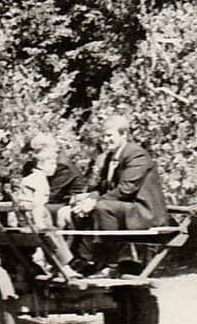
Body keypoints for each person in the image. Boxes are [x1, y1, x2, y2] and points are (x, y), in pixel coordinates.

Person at [71, 114, 169, 273]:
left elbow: (126, 189)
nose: (105, 139)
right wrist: (87, 199)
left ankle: (112, 263)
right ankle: (82, 260)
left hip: (144, 212)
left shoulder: (136, 154)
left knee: (102, 207)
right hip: (125, 207)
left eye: (109, 135)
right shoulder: (110, 157)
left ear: (124, 134)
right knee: (80, 207)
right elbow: (104, 188)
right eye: (103, 135)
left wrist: (95, 202)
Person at [13, 132, 77, 277]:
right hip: (34, 218)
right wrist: (39, 223)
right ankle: (64, 266)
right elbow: (38, 204)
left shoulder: (30, 177)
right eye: (52, 164)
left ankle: (56, 266)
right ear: (41, 164)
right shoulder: (41, 182)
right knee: (52, 234)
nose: (55, 167)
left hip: (24, 218)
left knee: (51, 231)